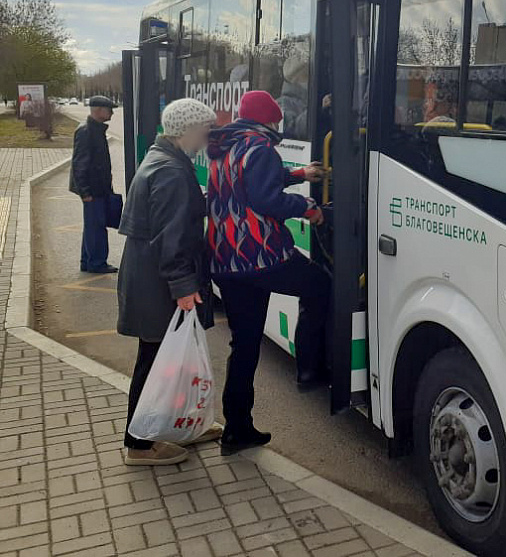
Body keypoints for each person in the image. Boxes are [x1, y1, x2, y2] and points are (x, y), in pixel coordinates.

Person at [206, 90, 329, 456]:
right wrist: (308, 207)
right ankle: (310, 370)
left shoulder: (226, 145)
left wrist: (299, 174)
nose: (278, 124)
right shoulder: (261, 147)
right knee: (320, 286)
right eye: (276, 119)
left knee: (243, 345)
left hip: (226, 263)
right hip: (261, 257)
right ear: (268, 119)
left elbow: (252, 182)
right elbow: (265, 198)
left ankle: (236, 429)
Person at [117, 98, 223, 465]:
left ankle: (179, 425)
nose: (208, 137)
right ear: (189, 130)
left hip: (149, 277)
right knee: (154, 361)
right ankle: (139, 444)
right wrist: (183, 286)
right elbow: (170, 236)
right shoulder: (172, 172)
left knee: (167, 360)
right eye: (206, 129)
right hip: (159, 283)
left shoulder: (162, 159)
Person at [69, 95, 117, 274]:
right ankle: (97, 263)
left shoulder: (95, 129)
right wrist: (85, 192)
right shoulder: (86, 131)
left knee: (92, 226)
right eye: (109, 109)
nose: (111, 112)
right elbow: (79, 164)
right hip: (92, 190)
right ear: (98, 111)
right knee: (96, 227)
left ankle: (88, 261)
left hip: (98, 188)